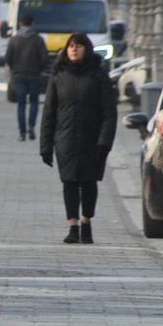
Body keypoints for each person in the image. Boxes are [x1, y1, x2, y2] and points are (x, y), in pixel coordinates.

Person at [40, 32, 118, 244]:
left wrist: (105, 141)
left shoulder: (98, 75)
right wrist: (45, 145)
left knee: (89, 182)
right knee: (69, 183)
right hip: (65, 138)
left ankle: (86, 220)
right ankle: (73, 225)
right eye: (71, 46)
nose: (74, 49)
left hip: (92, 139)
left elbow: (109, 112)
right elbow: (49, 112)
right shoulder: (58, 75)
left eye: (79, 46)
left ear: (87, 49)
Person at [7, 11, 51, 142]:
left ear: (20, 24)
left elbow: (8, 57)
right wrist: (40, 69)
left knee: (21, 104)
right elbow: (45, 58)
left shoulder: (14, 39)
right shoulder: (38, 40)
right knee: (34, 102)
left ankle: (22, 132)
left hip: (18, 76)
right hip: (34, 76)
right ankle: (31, 126)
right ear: (32, 24)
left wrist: (14, 69)